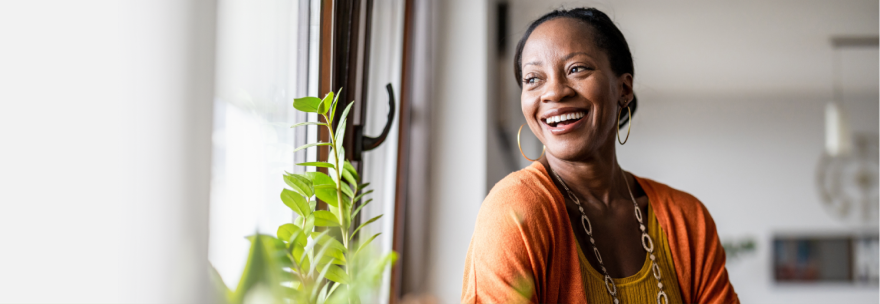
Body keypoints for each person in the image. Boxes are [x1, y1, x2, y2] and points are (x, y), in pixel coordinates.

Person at [461, 7, 739, 304]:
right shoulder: (515, 210)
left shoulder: (686, 217)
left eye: (577, 69)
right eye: (532, 79)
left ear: (624, 88)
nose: (554, 92)